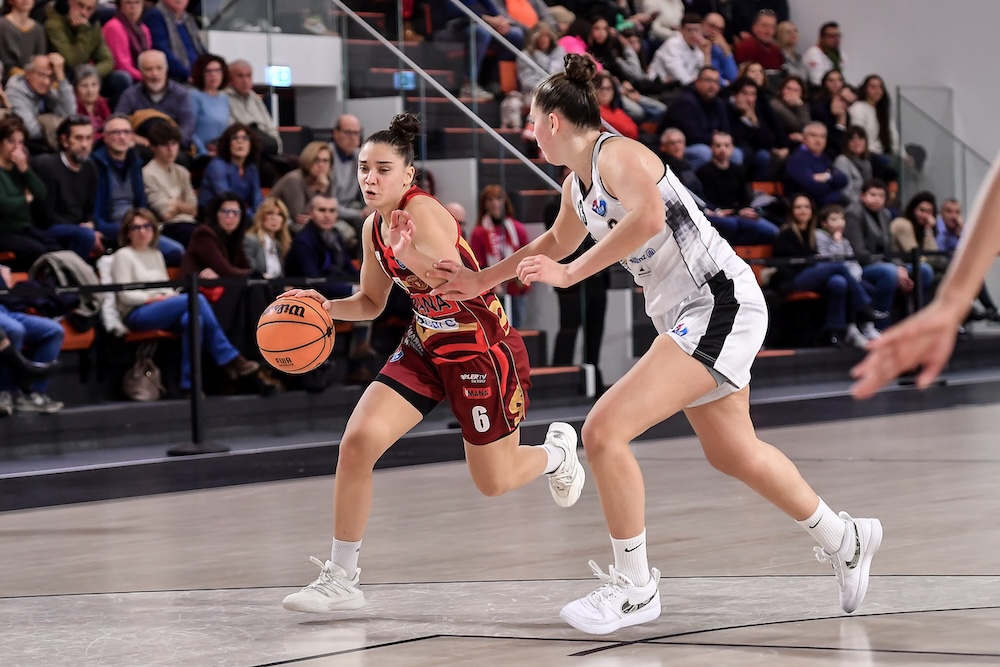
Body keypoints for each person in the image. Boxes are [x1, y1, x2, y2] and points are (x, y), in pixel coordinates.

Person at [428, 54, 881, 634]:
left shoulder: (619, 154)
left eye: (533, 120)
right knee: (733, 453)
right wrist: (479, 280)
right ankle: (845, 540)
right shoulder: (576, 184)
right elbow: (555, 242)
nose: (528, 131)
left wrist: (569, 275)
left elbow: (645, 221)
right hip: (691, 314)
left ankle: (636, 586)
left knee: (602, 431)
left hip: (718, 303)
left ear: (556, 122)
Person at [279, 112, 586, 616]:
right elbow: (372, 303)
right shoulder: (372, 228)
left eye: (382, 169)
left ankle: (556, 453)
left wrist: (411, 256)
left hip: (481, 350)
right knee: (357, 444)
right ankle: (341, 575)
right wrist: (319, 307)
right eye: (362, 169)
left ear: (408, 177)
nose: (370, 179)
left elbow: (461, 282)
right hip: (425, 343)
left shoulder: (425, 213)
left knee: (494, 482)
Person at [851, 151, 1000, 398]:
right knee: (920, 270)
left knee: (926, 269)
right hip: (880, 266)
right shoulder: (896, 223)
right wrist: (953, 301)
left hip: (895, 264)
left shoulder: (888, 217)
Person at [111, 207, 259, 395]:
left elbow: (163, 286)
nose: (143, 232)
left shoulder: (155, 254)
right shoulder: (123, 255)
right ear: (127, 232)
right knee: (196, 298)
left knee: (193, 320)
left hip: (160, 307)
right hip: (136, 313)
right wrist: (156, 298)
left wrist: (168, 295)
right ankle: (229, 357)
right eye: (136, 227)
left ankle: (190, 385)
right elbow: (124, 295)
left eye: (147, 226)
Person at [771, 195, 876, 349]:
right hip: (791, 280)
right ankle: (864, 306)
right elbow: (785, 264)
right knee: (838, 266)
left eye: (806, 207)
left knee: (838, 283)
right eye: (798, 207)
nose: (803, 210)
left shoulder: (815, 234)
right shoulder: (786, 233)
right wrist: (813, 262)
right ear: (792, 211)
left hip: (815, 276)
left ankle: (835, 333)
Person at [30, 114, 99, 260]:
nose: (85, 145)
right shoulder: (47, 165)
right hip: (47, 227)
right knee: (85, 235)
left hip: (76, 227)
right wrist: (81, 228)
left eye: (88, 138)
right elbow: (45, 216)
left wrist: (90, 223)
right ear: (64, 140)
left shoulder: (90, 167)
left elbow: (90, 208)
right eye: (79, 138)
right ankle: (71, 278)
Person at [468, 184, 531, 329]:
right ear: (484, 204)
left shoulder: (517, 229)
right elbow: (477, 264)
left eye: (498, 199)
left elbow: (527, 255)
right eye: (489, 200)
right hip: (491, 293)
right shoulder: (478, 233)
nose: (494, 203)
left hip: (515, 290)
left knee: (516, 330)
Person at [0, 116, 59, 270]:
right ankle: (26, 287)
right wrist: (25, 199)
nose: (16, 147)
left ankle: (53, 288)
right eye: (11, 141)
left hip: (24, 228)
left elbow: (41, 194)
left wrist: (26, 170)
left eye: (20, 142)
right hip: (4, 231)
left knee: (55, 246)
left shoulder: (20, 169)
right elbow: (4, 205)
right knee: (35, 249)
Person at [141, 121, 198, 246]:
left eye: (174, 144)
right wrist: (183, 206)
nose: (170, 149)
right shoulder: (147, 173)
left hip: (189, 223)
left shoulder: (182, 172)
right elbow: (165, 214)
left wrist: (176, 203)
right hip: (168, 227)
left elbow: (194, 209)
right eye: (164, 145)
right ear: (153, 147)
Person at [197, 122, 262, 217]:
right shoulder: (217, 166)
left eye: (245, 138)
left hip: (240, 215)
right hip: (214, 216)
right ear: (228, 143)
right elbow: (227, 199)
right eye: (235, 138)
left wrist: (258, 216)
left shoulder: (251, 168)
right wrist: (250, 217)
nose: (240, 142)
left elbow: (257, 200)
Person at [269, 140, 335, 234]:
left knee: (339, 230)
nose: (321, 165)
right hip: (280, 222)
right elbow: (298, 216)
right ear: (308, 160)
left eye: (325, 161)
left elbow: (329, 208)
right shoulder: (295, 179)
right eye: (316, 160)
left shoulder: (326, 180)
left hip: (309, 222)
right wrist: (319, 191)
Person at [189, 53, 229, 158]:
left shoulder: (224, 98)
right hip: (199, 152)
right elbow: (189, 130)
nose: (213, 75)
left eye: (217, 71)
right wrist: (203, 152)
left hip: (219, 151)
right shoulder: (194, 96)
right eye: (208, 71)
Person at [243, 196, 290, 279]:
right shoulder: (251, 240)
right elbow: (251, 271)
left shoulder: (279, 244)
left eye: (279, 214)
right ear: (261, 217)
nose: (274, 218)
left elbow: (280, 275)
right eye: (270, 213)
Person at [0, 0, 47, 84]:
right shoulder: (2, 25)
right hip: (9, 82)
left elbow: (40, 58)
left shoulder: (38, 29)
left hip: (34, 81)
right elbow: (6, 64)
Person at [73, 63, 110, 137]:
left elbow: (109, 125)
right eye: (84, 85)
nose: (90, 90)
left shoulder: (101, 102)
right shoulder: (74, 106)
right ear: (76, 89)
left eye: (94, 85)